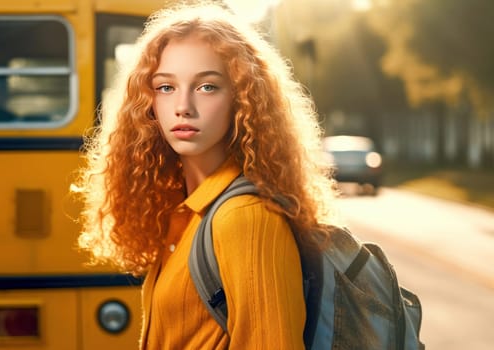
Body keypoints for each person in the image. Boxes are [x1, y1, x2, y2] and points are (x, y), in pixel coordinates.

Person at [74, 2, 339, 349]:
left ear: (242, 99)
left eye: (207, 87)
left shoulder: (246, 220)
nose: (183, 105)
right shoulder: (185, 211)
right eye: (166, 87)